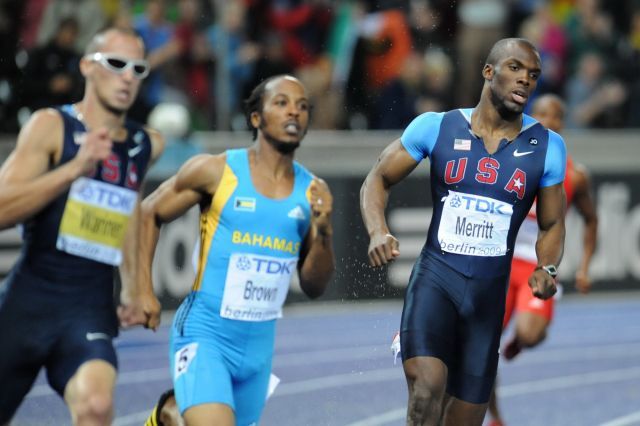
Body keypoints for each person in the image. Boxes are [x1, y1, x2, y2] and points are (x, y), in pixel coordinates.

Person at [360, 38, 567, 425]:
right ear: (489, 72)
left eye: (534, 75)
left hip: (487, 301)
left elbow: (553, 223)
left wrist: (548, 267)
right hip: (436, 283)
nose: (525, 80)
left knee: (464, 418)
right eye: (515, 69)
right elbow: (377, 178)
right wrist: (377, 230)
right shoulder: (436, 126)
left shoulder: (548, 147)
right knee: (426, 389)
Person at [140, 74, 335, 426]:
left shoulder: (313, 192)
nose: (294, 112)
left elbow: (314, 286)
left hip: (258, 354)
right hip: (205, 334)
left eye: (302, 106)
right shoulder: (216, 171)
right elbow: (148, 212)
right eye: (282, 103)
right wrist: (141, 290)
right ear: (256, 118)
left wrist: (323, 231)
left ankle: (165, 417)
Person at [0, 27, 164, 425]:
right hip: (27, 305)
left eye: (138, 68)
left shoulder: (145, 144)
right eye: (117, 64)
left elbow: (129, 209)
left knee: (95, 406)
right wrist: (75, 169)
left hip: (88, 310)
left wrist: (135, 286)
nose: (127, 76)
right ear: (88, 67)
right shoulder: (51, 126)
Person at [487, 94, 598, 426]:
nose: (547, 121)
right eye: (541, 114)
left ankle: (522, 339)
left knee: (531, 333)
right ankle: (495, 418)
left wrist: (584, 267)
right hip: (500, 264)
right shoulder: (506, 157)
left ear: (563, 124)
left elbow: (592, 220)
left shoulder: (575, 175)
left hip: (538, 266)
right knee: (484, 349)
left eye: (555, 116)